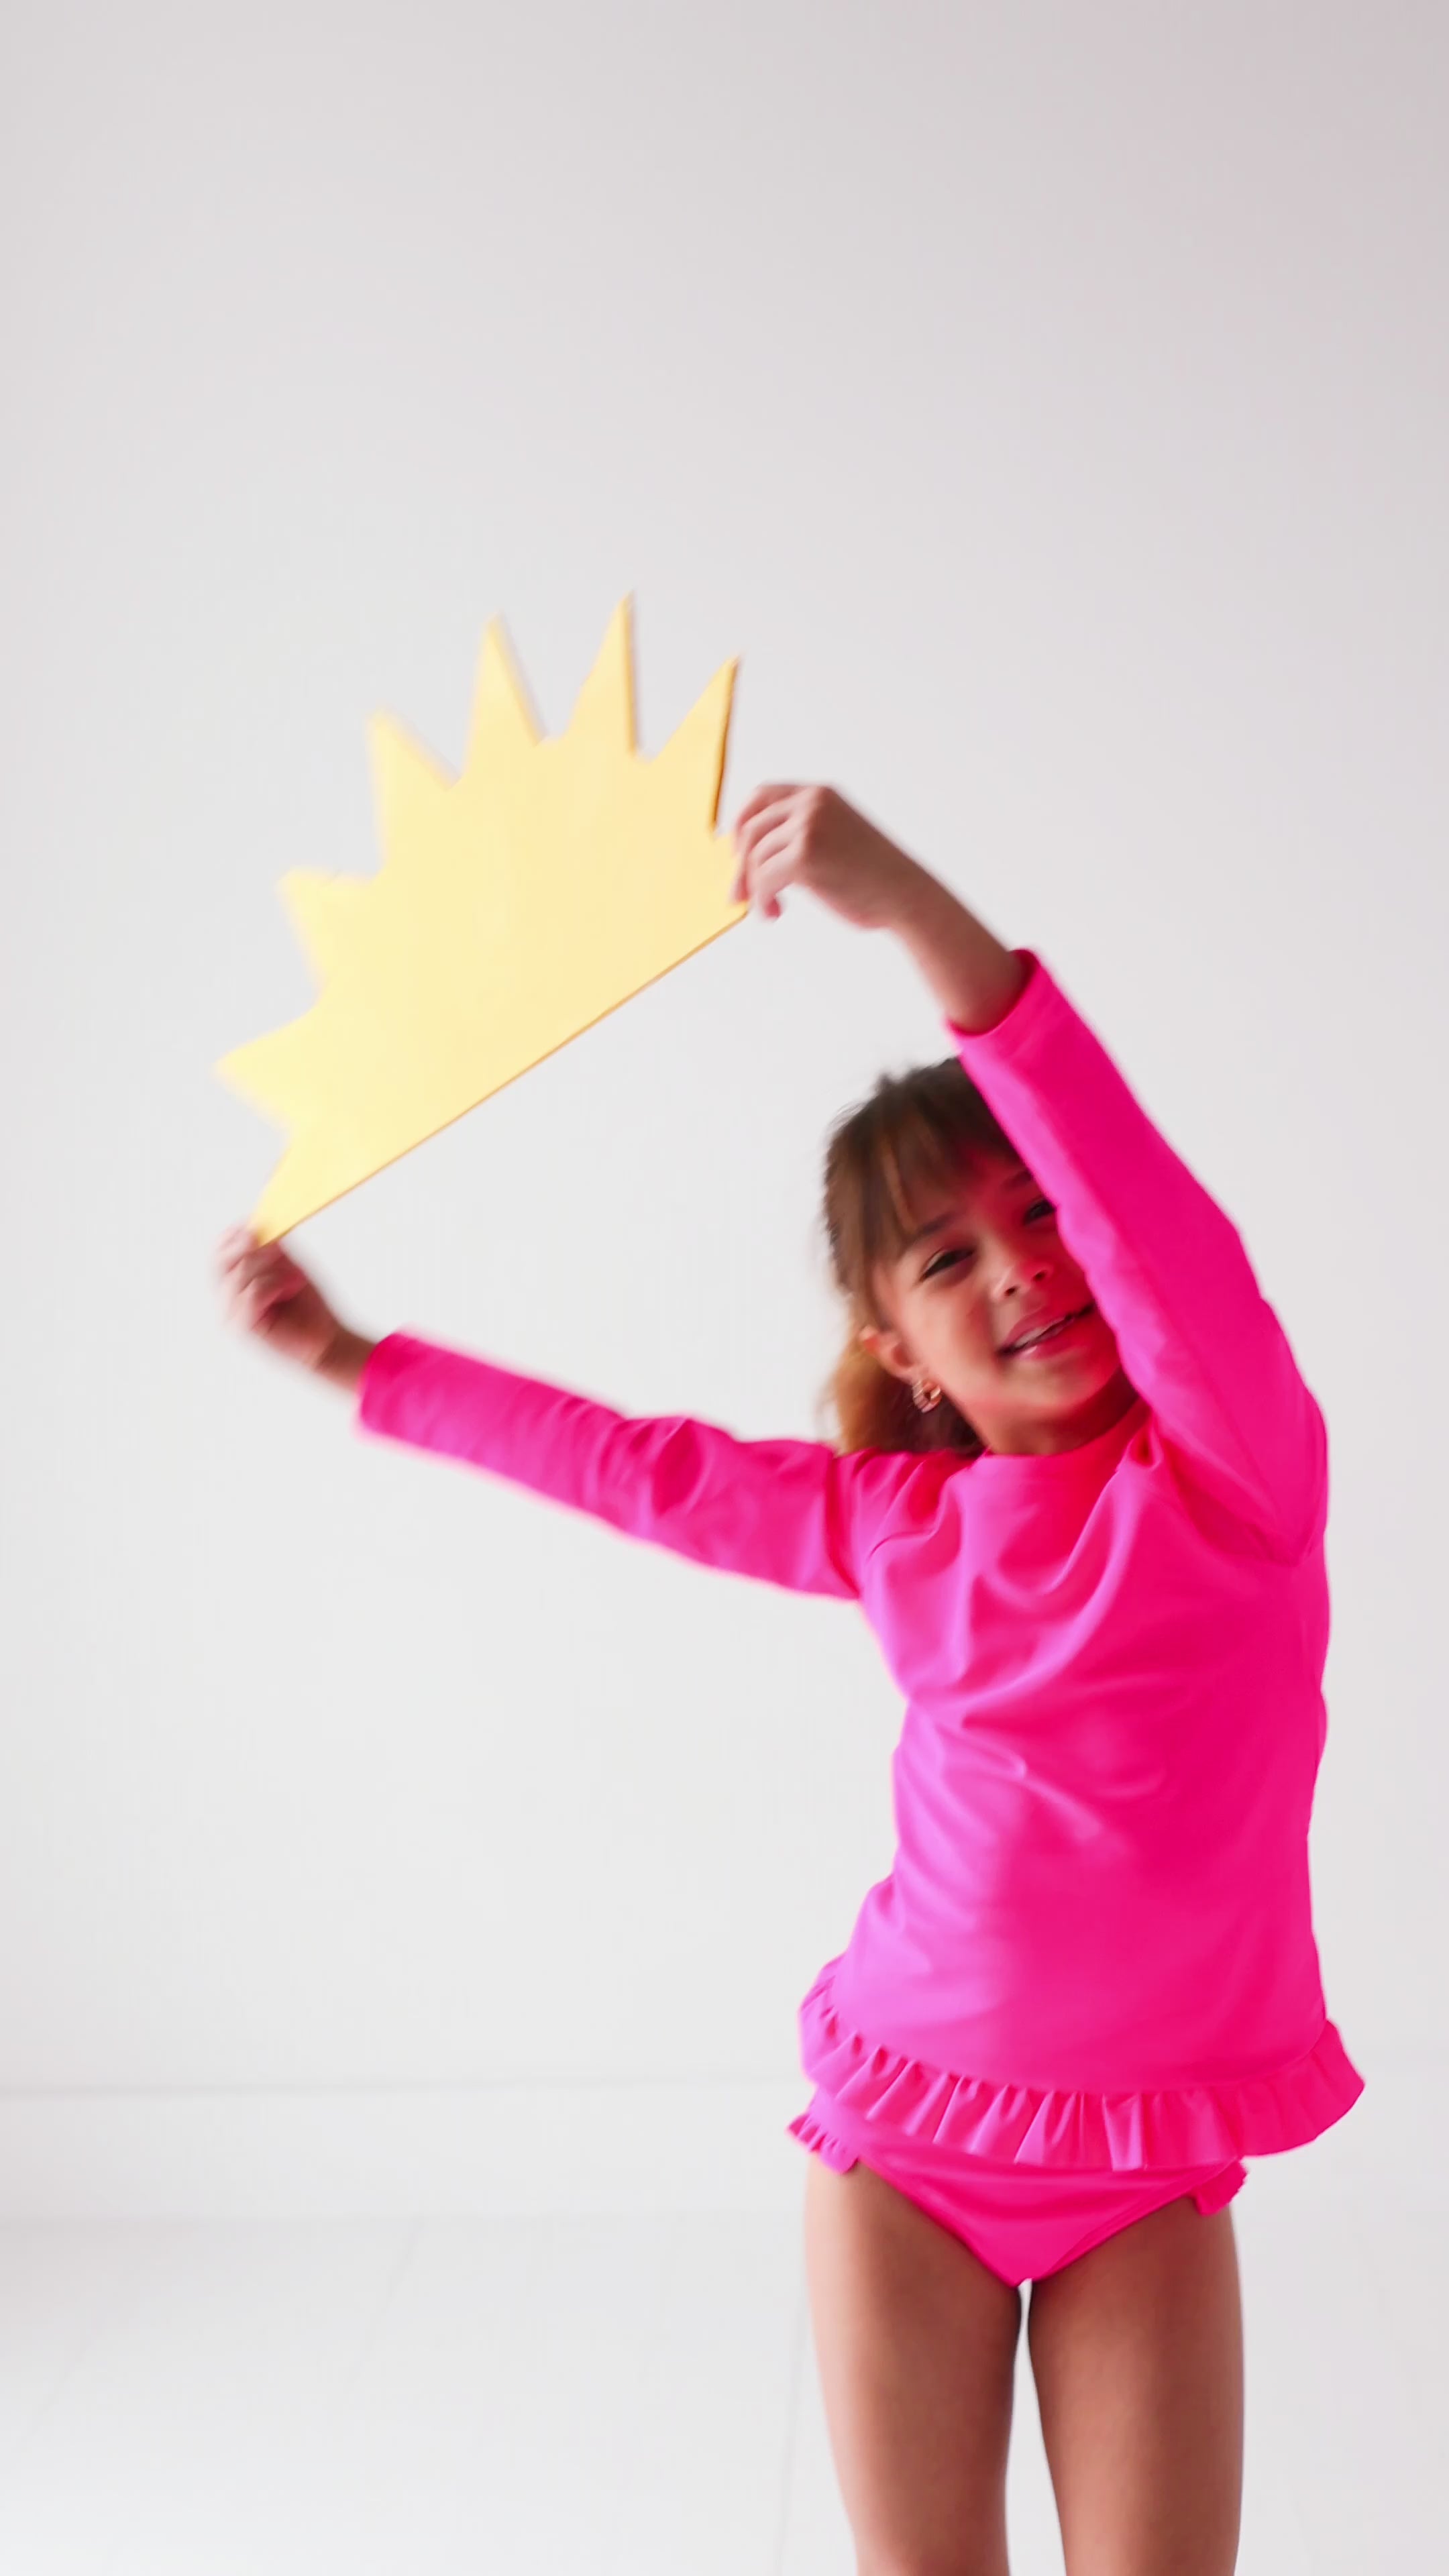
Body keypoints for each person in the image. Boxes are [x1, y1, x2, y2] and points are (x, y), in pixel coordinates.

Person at [217, 784, 1361, 2576]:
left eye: (1043, 1215)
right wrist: (362, 1361)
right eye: (950, 1255)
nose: (1030, 1268)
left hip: (1148, 2168)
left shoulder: (1240, 1479)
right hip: (909, 2152)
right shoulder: (891, 1527)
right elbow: (627, 1464)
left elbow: (1150, 1208)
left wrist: (906, 903)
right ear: (896, 1349)